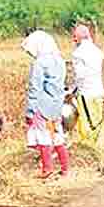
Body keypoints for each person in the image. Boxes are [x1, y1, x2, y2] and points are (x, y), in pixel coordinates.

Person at [23, 30, 70, 178]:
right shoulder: (60, 60)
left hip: (42, 105)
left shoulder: (39, 63)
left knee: (42, 137)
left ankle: (47, 169)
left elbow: (34, 87)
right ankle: (65, 168)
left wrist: (30, 111)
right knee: (57, 135)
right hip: (57, 105)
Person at [71, 24, 104, 149]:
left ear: (80, 37)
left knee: (87, 122)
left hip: (86, 92)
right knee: (98, 119)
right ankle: (101, 147)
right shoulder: (97, 51)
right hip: (99, 91)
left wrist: (72, 91)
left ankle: (89, 149)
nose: (73, 40)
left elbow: (79, 76)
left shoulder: (78, 53)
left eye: (75, 36)